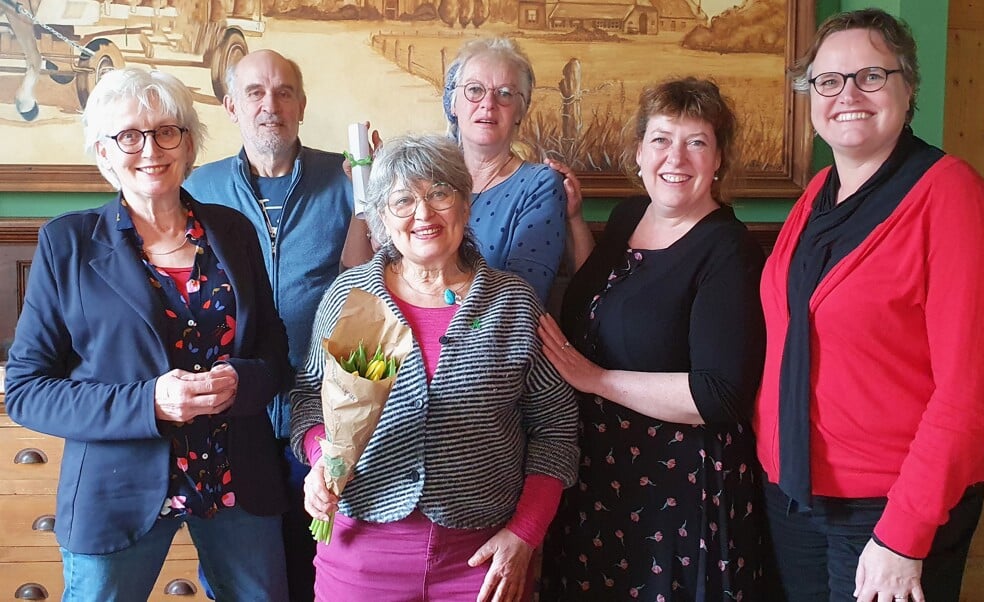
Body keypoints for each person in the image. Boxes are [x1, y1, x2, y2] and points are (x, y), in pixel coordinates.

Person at [754, 9, 984, 602]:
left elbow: (968, 396)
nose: (848, 94)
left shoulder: (952, 200)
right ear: (810, 95)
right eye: (828, 80)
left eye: (871, 75)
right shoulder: (817, 194)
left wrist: (904, 535)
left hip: (890, 508)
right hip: (795, 492)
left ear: (907, 85)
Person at [4, 67, 291, 600]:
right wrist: (149, 403)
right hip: (116, 490)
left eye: (166, 131)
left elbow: (274, 352)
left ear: (188, 144)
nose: (150, 149)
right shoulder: (67, 243)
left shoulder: (233, 231)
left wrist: (242, 381)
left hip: (238, 482)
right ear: (103, 153)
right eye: (128, 135)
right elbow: (25, 391)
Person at [291, 134, 580, 601]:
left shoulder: (511, 304)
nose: (423, 214)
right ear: (382, 217)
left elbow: (556, 428)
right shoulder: (353, 297)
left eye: (439, 194)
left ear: (465, 206)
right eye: (403, 200)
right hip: (362, 550)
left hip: (482, 559)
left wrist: (525, 534)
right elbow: (308, 397)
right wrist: (321, 456)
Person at [538, 77, 771, 601]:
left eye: (697, 142)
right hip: (603, 469)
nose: (677, 157)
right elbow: (614, 299)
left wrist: (593, 379)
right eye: (662, 138)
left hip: (679, 489)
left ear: (718, 161)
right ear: (640, 151)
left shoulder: (726, 251)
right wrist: (576, 221)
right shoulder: (627, 216)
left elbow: (719, 395)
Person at [184, 49, 359, 600]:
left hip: (332, 419)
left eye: (284, 92)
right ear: (231, 106)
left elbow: (377, 279)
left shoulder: (348, 178)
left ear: (302, 105)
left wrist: (375, 184)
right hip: (235, 427)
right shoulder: (196, 190)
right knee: (247, 584)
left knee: (326, 575)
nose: (270, 105)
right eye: (255, 93)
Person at [347, 37, 572, 302]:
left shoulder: (539, 184)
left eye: (505, 93)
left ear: (520, 111)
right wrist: (370, 188)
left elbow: (522, 298)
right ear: (453, 104)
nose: (488, 102)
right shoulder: (418, 177)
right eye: (475, 90)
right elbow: (357, 273)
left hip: (489, 336)